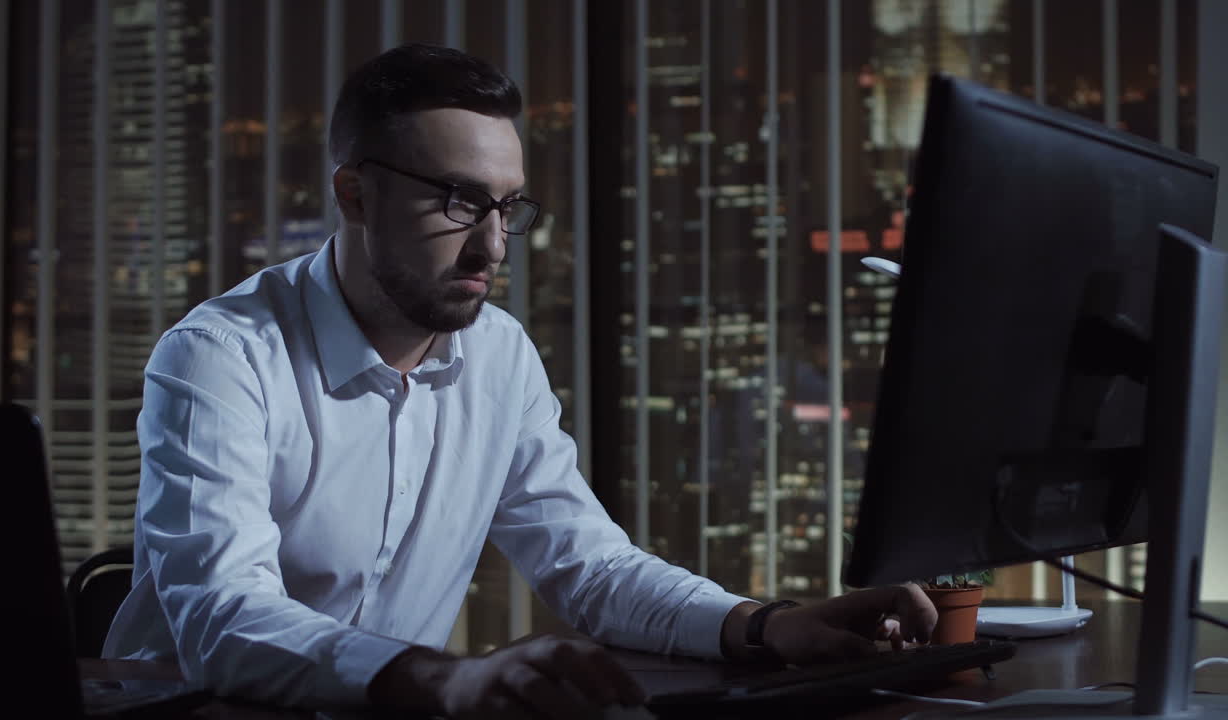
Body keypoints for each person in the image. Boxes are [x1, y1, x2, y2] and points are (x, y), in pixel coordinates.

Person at [104, 43, 937, 718]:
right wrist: (447, 682)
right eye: (460, 203)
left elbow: (589, 568)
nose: (494, 248)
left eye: (508, 208)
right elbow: (222, 616)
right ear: (354, 195)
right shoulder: (221, 354)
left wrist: (765, 626)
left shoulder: (498, 354)